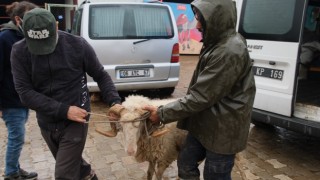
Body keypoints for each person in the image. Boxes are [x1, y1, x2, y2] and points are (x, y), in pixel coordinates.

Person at [142, 0, 256, 179]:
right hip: (204, 123)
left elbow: (200, 97)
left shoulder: (229, 51)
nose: (197, 24)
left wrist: (161, 113)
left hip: (223, 131)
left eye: (202, 19)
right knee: (186, 164)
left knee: (215, 175)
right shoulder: (217, 42)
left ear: (218, 19)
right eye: (197, 17)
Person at [10, 8, 122, 180]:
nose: (44, 51)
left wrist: (114, 101)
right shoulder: (19, 51)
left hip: (77, 119)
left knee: (64, 174)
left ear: (56, 26)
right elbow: (25, 92)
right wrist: (64, 110)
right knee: (75, 166)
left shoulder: (78, 45)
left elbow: (100, 75)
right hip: (46, 121)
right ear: (23, 30)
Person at [0, 1, 38, 180]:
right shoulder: (5, 38)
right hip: (9, 99)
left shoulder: (25, 36)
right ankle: (11, 174)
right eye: (30, 17)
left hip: (22, 98)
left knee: (18, 136)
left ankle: (14, 167)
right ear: (18, 19)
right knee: (17, 137)